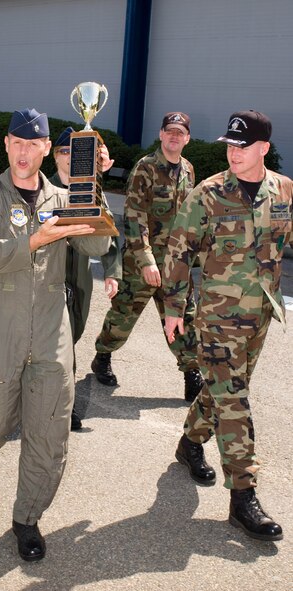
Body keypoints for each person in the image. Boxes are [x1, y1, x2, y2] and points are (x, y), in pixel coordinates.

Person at [0, 108, 111, 562]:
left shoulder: (64, 198)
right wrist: (34, 240)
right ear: (6, 144)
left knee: (48, 434)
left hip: (50, 335)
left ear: (48, 149)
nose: (25, 153)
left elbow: (98, 245)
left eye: (34, 144)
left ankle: (27, 518)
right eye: (17, 143)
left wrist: (91, 186)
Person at [163, 110, 292, 541]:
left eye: (242, 146)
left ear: (263, 149)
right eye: (229, 145)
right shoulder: (209, 193)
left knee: (222, 392)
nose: (233, 153)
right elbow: (179, 250)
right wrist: (173, 308)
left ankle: (189, 443)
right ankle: (243, 496)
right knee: (234, 399)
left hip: (260, 317)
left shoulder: (284, 191)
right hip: (217, 319)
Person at [91, 112, 203, 402]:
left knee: (183, 319)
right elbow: (133, 217)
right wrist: (146, 260)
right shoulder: (146, 168)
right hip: (142, 263)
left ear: (187, 138)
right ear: (161, 134)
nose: (175, 136)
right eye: (170, 131)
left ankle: (192, 373)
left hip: (175, 265)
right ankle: (102, 355)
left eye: (180, 132)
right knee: (123, 316)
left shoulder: (189, 170)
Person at [49, 127, 122, 429]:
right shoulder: (43, 189)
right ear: (54, 156)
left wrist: (112, 271)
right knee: (59, 344)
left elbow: (107, 229)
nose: (68, 158)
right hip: (50, 277)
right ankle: (64, 407)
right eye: (63, 152)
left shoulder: (88, 190)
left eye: (74, 152)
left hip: (79, 277)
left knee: (74, 333)